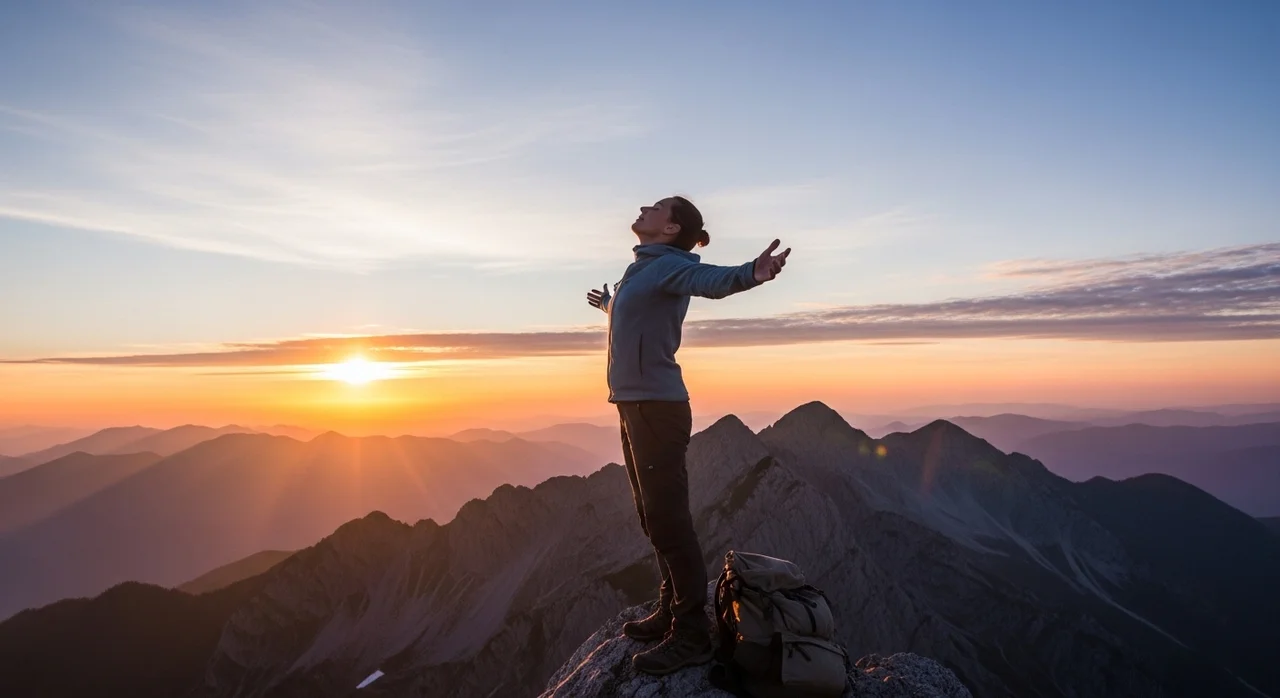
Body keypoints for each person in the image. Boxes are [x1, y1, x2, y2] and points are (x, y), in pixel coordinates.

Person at [586, 195, 790, 675]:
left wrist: (751, 273)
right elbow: (637, 314)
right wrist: (608, 305)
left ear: (671, 227)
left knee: (670, 521)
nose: (642, 207)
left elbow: (710, 280)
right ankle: (669, 605)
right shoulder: (642, 270)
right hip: (634, 407)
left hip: (658, 410)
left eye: (655, 207)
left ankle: (692, 634)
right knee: (651, 515)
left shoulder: (672, 266)